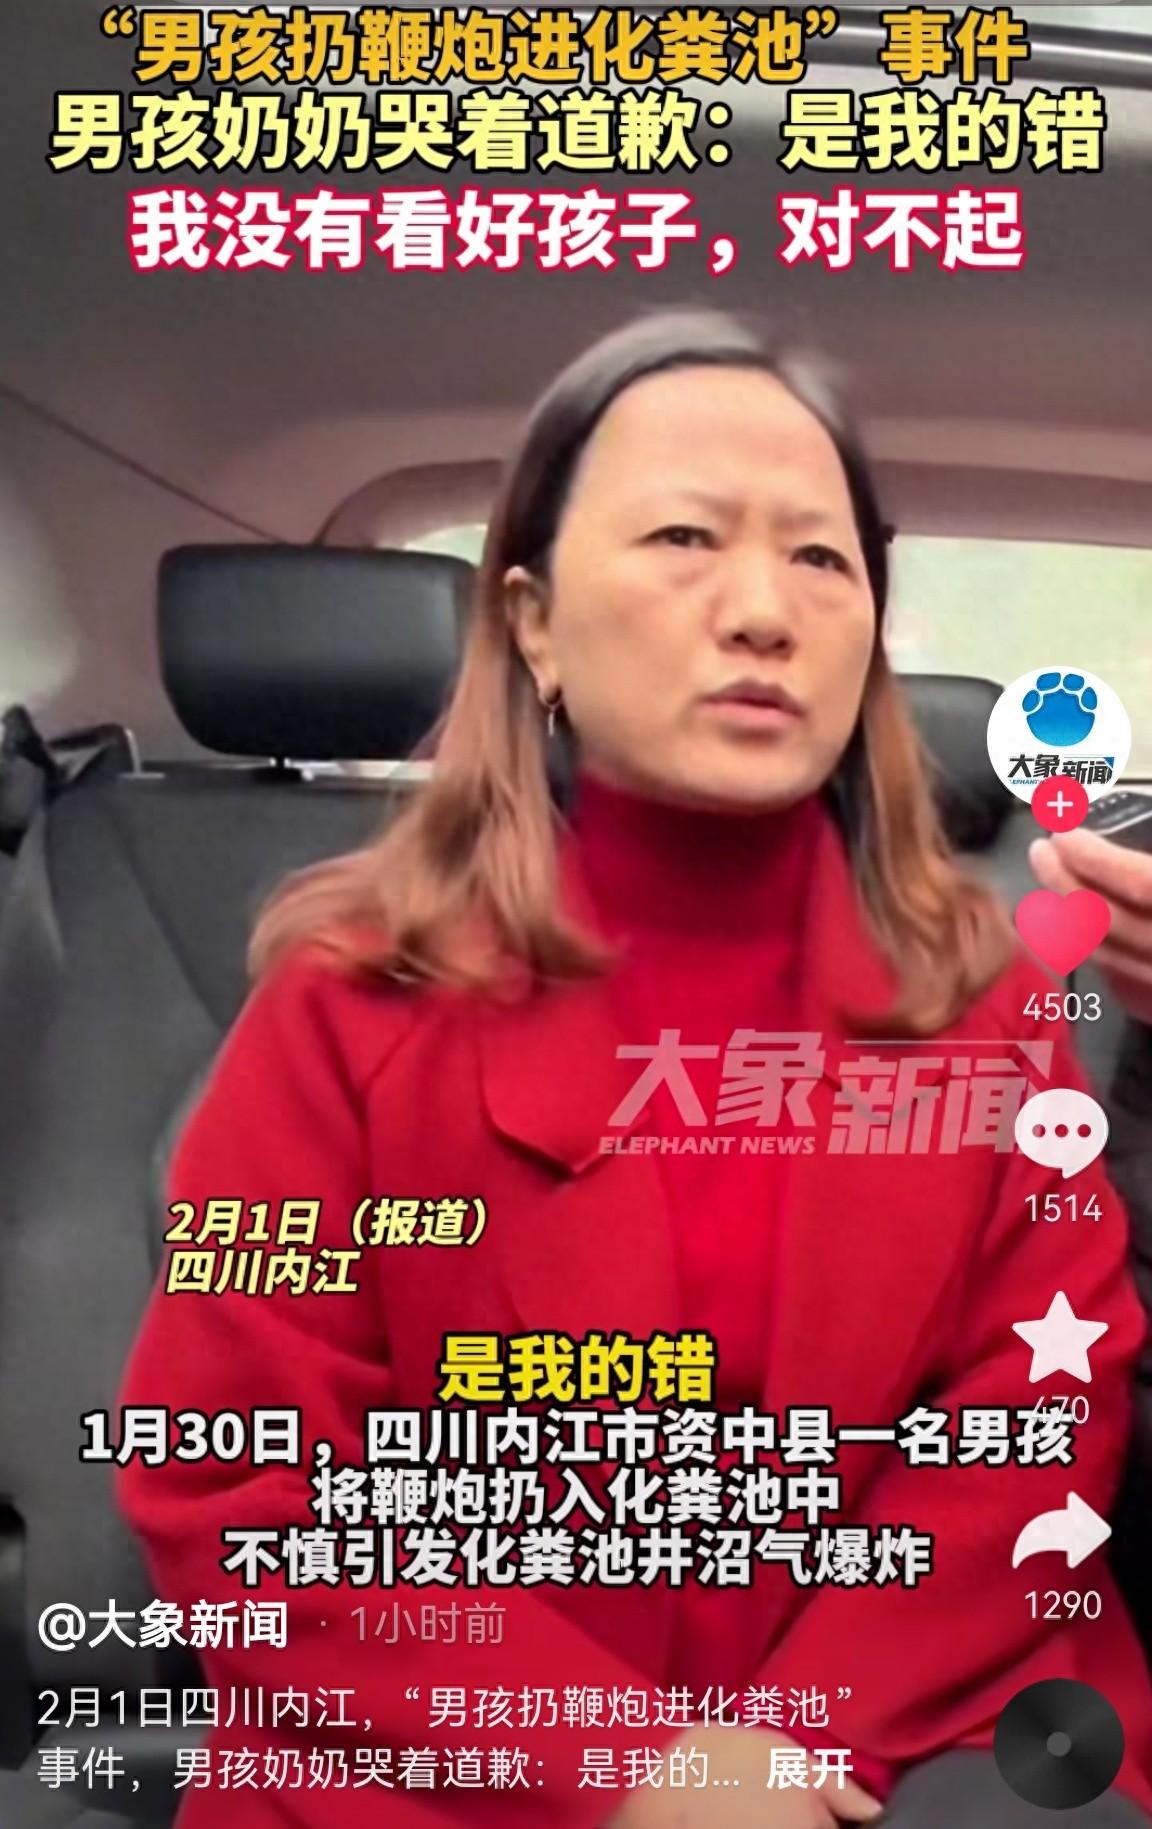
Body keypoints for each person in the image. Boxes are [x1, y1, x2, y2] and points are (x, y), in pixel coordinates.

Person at [115, 308, 1152, 1829]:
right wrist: (625, 1767)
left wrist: (782, 1763)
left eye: (822, 558)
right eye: (683, 537)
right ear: (532, 622)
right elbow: (238, 1486)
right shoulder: (342, 1005)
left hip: (911, 1743)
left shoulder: (987, 1006)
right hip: (448, 1762)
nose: (764, 610)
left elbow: (1037, 1422)